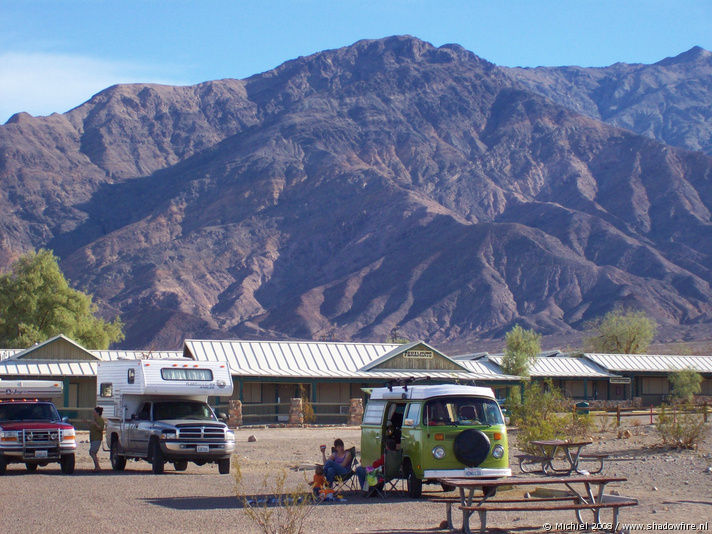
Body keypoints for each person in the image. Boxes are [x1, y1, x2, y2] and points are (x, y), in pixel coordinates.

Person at [88, 406, 105, 472]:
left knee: (92, 452)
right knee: (92, 452)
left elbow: (101, 428)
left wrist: (95, 424)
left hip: (97, 438)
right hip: (93, 438)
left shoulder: (100, 420)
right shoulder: (94, 419)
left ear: (97, 413)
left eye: (94, 412)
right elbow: (91, 428)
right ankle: (97, 466)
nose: (93, 413)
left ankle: (97, 466)